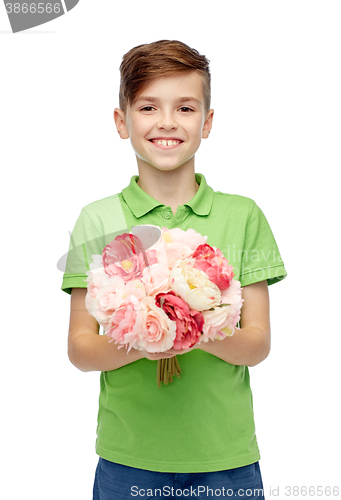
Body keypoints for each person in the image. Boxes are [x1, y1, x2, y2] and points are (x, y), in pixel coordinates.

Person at [61, 40, 287, 499]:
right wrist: (148, 338)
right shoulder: (98, 219)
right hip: (130, 462)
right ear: (123, 122)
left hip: (227, 460)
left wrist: (191, 323)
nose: (167, 122)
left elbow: (258, 344)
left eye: (185, 107)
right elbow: (81, 349)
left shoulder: (242, 216)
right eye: (148, 107)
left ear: (206, 122)